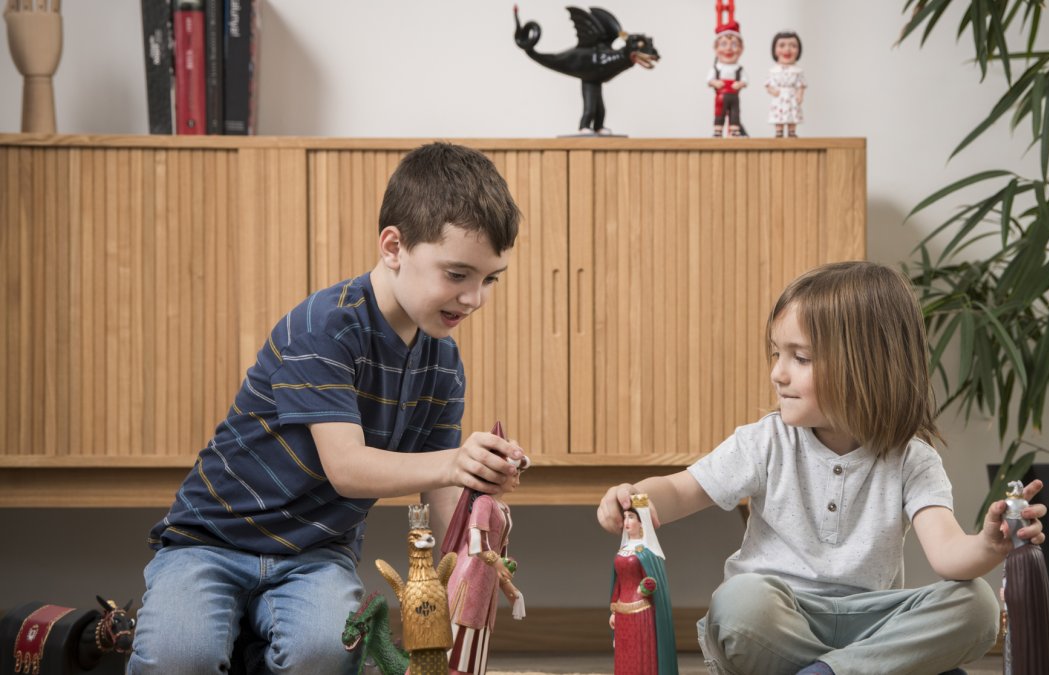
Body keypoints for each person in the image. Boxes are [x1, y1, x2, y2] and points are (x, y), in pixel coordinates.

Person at [128, 142, 527, 675]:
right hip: (210, 543)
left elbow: (441, 490)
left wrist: (479, 532)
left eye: (489, 279)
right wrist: (456, 459)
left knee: (325, 655)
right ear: (394, 246)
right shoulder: (325, 325)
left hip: (317, 554)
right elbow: (348, 468)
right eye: (457, 275)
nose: (474, 298)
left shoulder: (443, 362)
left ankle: (246, 647)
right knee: (182, 659)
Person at [596, 261, 1049, 675]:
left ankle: (835, 671)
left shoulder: (912, 459)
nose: (778, 373)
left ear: (867, 367)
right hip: (780, 620)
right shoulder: (765, 441)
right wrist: (636, 497)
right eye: (777, 354)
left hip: (869, 621)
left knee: (977, 607)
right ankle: (879, 670)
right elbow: (681, 489)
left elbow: (950, 555)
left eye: (800, 358)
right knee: (738, 604)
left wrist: (991, 543)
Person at [442, 423, 529, 675]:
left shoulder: (503, 509)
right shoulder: (483, 503)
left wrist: (509, 587)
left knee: (480, 634)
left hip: (487, 578)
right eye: (515, 474)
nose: (518, 481)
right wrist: (498, 563)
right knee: (463, 630)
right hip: (471, 575)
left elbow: (500, 549)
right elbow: (477, 542)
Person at [609, 494, 678, 675]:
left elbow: (653, 581)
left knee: (640, 655)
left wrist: (644, 587)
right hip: (623, 612)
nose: (627, 521)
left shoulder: (648, 552)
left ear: (641, 522)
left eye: (631, 517)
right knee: (624, 653)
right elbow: (618, 582)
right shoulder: (623, 550)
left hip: (642, 613)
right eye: (625, 517)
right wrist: (614, 610)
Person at [708, 21, 747, 138]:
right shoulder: (716, 68)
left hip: (734, 96)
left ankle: (734, 131)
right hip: (721, 97)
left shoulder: (739, 68)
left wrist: (740, 84)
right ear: (715, 48)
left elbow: (745, 81)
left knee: (735, 113)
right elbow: (709, 80)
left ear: (741, 49)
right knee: (720, 113)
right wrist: (715, 82)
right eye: (724, 44)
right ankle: (718, 131)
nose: (729, 49)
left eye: (734, 45)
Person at [765, 31, 806, 138]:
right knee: (779, 113)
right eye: (782, 45)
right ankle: (779, 131)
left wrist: (800, 94)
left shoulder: (797, 70)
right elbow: (768, 84)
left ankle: (792, 131)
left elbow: (801, 84)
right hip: (779, 96)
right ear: (774, 50)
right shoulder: (774, 70)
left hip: (792, 95)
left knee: (792, 112)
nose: (787, 49)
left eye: (793, 46)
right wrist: (772, 90)